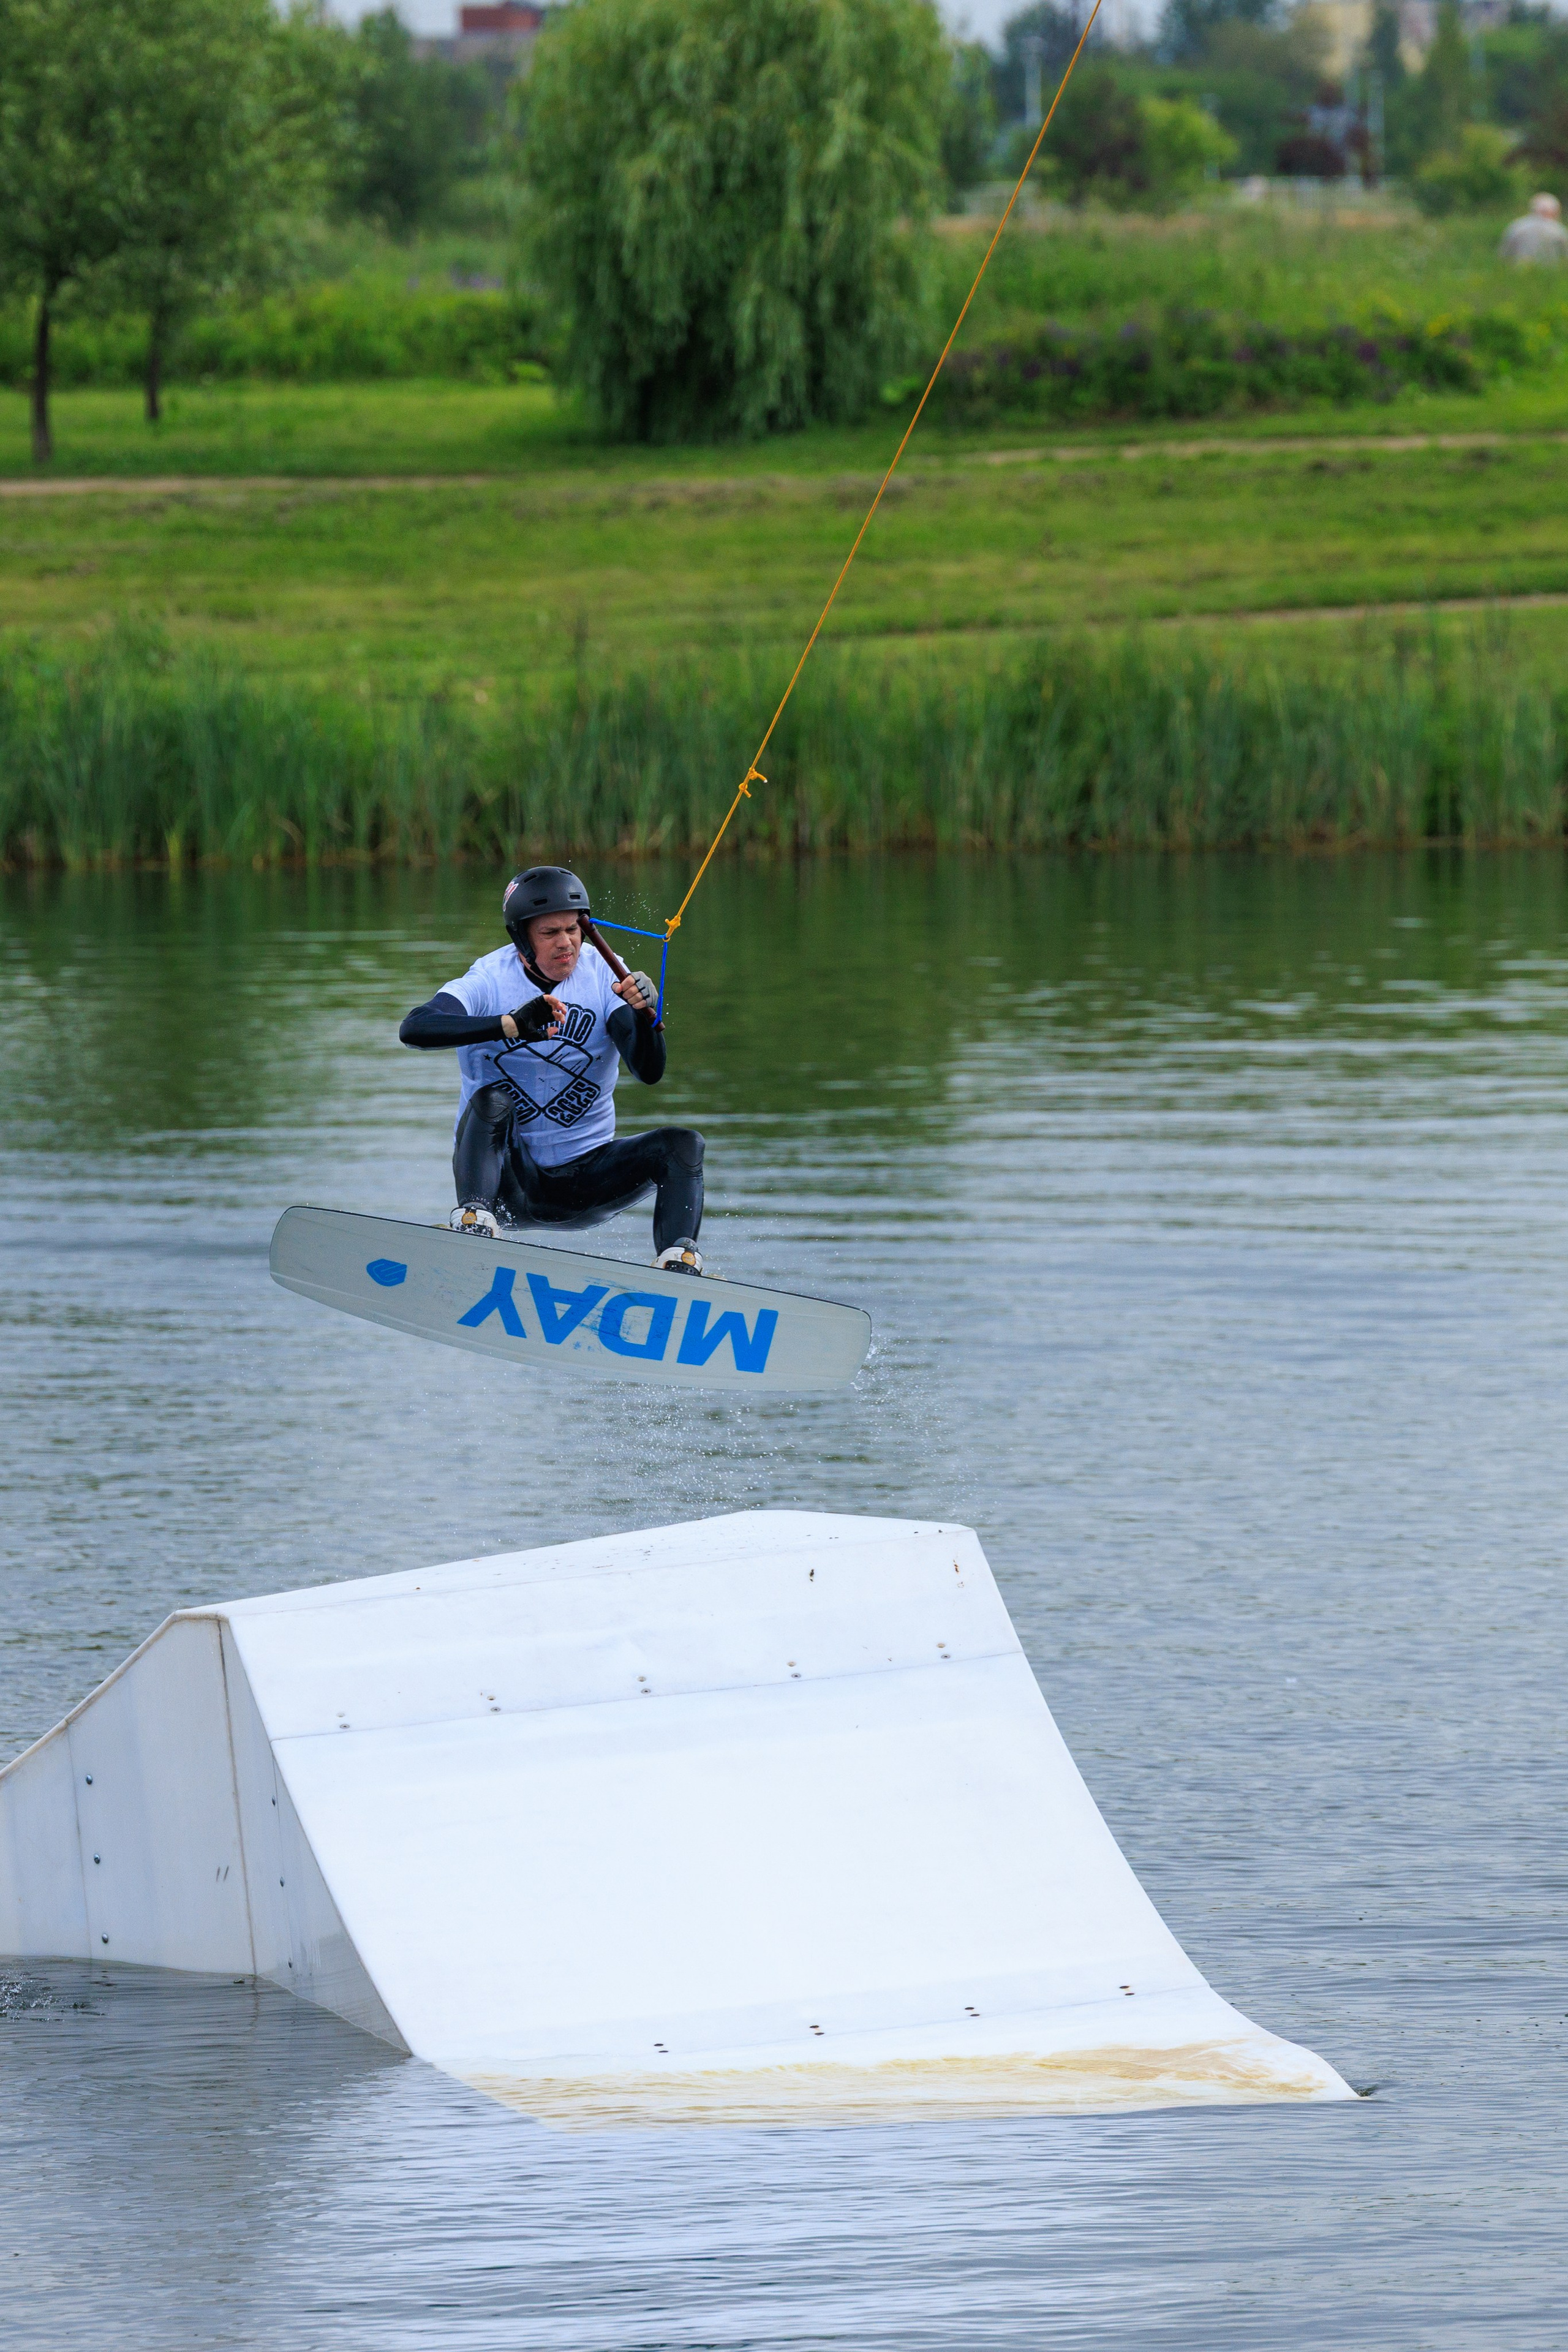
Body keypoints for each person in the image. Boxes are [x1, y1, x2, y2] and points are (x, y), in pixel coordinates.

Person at [399, 865, 706, 1273]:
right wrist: (509, 1024)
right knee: (493, 1100)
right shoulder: (489, 978)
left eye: (573, 930)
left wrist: (642, 1015)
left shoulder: (606, 974)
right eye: (549, 933)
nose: (566, 943)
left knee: (683, 1144)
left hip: (587, 1184)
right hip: (506, 1183)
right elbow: (414, 1029)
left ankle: (680, 1264)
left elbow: (649, 1071)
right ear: (522, 939)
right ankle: (474, 1225)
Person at [1499, 192, 1568, 263]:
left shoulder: (1517, 227)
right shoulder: (1559, 231)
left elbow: (1504, 255)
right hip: (1550, 269)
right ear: (1554, 212)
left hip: (1519, 269)